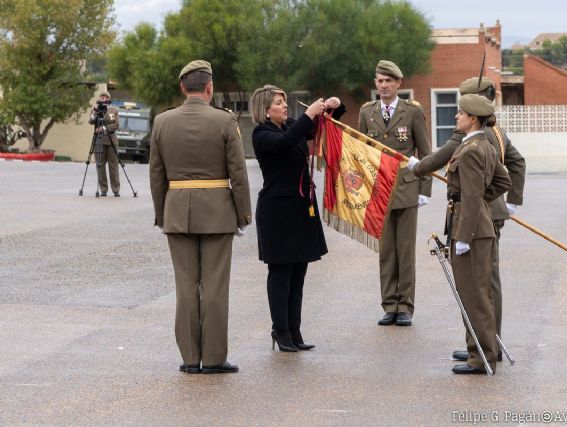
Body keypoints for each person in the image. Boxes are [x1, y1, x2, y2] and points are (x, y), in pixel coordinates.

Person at [408, 77, 526, 362]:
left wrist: (417, 168)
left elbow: (443, 160)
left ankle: (483, 347)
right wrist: (508, 201)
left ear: (474, 113)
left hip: (473, 220)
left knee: (478, 287)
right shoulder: (494, 133)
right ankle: (485, 343)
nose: (456, 114)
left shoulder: (471, 141)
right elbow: (510, 170)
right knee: (485, 284)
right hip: (486, 213)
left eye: (462, 106)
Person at [149, 60, 252, 374]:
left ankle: (190, 358)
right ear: (209, 88)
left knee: (186, 286)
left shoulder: (162, 122)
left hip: (177, 211)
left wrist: (161, 213)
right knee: (215, 287)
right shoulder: (224, 121)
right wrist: (243, 213)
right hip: (218, 212)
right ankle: (214, 358)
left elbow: (156, 174)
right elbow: (238, 172)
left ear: (183, 87)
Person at [250, 85, 344, 352]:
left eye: (283, 101)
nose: (284, 106)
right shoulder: (261, 134)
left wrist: (331, 108)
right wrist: (309, 114)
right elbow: (286, 142)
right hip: (277, 212)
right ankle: (280, 330)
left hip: (301, 207)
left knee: (299, 272)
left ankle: (294, 328)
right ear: (265, 110)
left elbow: (316, 129)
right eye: (278, 103)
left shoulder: (291, 125)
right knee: (280, 272)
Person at [358, 60, 432, 327]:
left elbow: (425, 152)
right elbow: (362, 153)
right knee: (386, 251)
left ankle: (406, 307)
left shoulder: (411, 111)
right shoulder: (367, 112)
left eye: (389, 81)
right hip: (380, 189)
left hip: (407, 187)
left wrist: (425, 189)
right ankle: (390, 304)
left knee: (405, 251)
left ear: (398, 84)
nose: (384, 86)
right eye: (380, 81)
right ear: (375, 84)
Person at [88, 91, 120, 197]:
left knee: (113, 166)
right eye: (101, 97)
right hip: (99, 141)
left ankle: (116, 189)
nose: (103, 99)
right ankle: (103, 189)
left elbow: (116, 125)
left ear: (109, 99)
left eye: (105, 97)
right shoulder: (95, 109)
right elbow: (91, 121)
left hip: (112, 141)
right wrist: (95, 114)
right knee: (100, 165)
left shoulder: (114, 110)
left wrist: (104, 128)